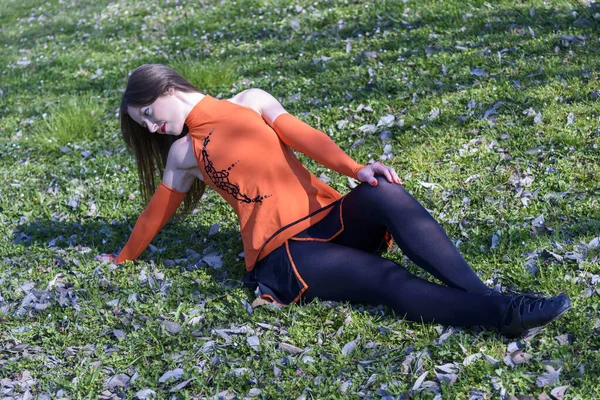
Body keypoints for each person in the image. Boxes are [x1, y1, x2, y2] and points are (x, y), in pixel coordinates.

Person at [106, 64, 571, 338]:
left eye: (148, 114)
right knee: (385, 277)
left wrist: (356, 170)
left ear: (166, 89)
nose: (151, 128)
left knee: (385, 191)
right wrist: (123, 257)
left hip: (328, 219)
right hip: (282, 254)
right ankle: (503, 313)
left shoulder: (249, 101)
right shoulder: (185, 153)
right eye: (142, 124)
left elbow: (303, 136)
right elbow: (156, 214)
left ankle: (486, 295)